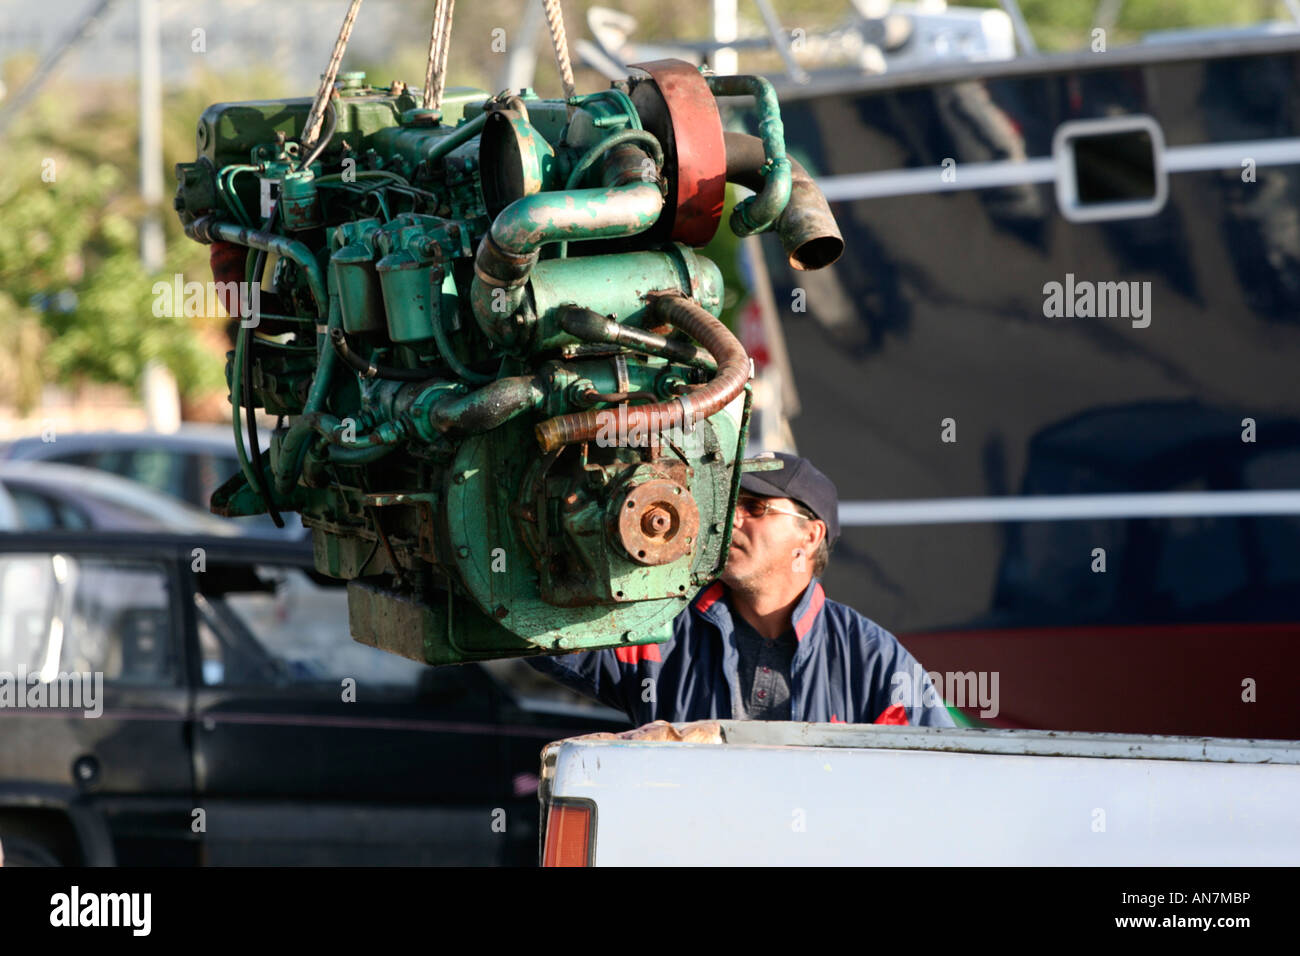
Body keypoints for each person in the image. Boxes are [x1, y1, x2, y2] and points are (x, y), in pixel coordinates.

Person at [527, 452, 956, 727]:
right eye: (730, 504)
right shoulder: (660, 624)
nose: (731, 519)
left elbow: (936, 778)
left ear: (809, 537)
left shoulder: (873, 659)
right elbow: (550, 633)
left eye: (755, 508)